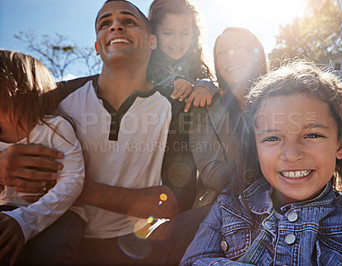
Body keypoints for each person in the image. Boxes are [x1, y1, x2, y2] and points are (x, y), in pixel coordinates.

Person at [1, 1, 204, 264]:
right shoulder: (55, 96)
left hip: (141, 245)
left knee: (214, 214)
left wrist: (80, 189)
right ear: (97, 46)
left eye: (128, 21)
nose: (116, 25)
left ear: (152, 42)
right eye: (104, 23)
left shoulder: (176, 105)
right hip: (55, 235)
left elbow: (174, 202)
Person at [181, 61, 342, 265]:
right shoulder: (229, 206)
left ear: (340, 145)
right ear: (256, 149)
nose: (291, 154)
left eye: (312, 135)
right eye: (272, 138)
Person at [0, 50, 85, 265]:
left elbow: (73, 179)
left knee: (48, 252)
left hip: (60, 213)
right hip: (8, 211)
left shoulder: (54, 128)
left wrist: (26, 221)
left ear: (18, 85)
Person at [190, 28, 267, 208]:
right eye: (221, 53)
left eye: (238, 47)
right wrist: (269, 181)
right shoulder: (205, 107)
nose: (229, 57)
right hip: (224, 206)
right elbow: (211, 171)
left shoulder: (280, 98)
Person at [147, 0, 219, 113]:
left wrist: (206, 85)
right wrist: (172, 82)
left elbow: (219, 85)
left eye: (185, 34)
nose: (177, 42)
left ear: (193, 35)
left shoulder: (198, 66)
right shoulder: (146, 66)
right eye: (168, 33)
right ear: (154, 33)